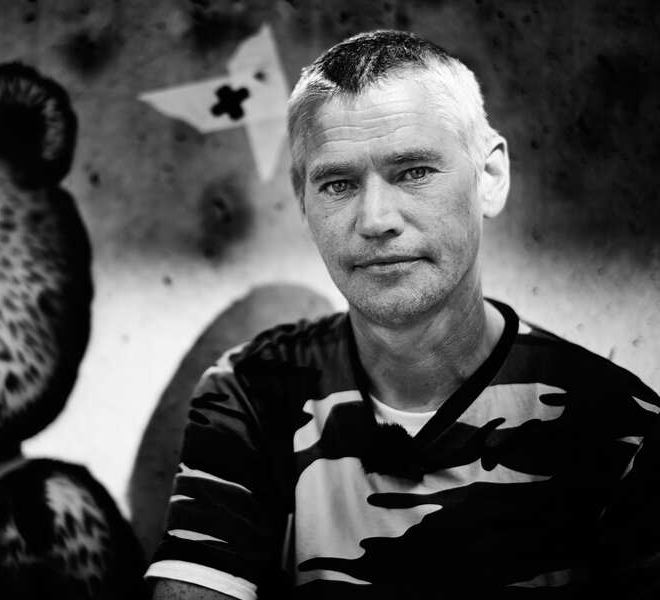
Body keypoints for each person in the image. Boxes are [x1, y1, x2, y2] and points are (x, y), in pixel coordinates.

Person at [145, 30, 660, 598]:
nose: (376, 219)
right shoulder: (251, 392)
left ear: (489, 178)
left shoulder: (620, 428)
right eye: (338, 183)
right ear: (303, 201)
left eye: (414, 171)